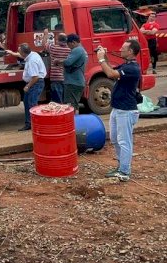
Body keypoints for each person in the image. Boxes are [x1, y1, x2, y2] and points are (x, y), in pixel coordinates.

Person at [97, 40, 142, 182]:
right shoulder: (127, 65)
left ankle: (124, 171)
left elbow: (110, 74)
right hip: (118, 109)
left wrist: (101, 58)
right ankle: (121, 166)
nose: (120, 49)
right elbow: (113, 71)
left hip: (126, 110)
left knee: (124, 141)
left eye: (123, 48)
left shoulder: (132, 68)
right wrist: (106, 58)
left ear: (130, 52)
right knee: (115, 139)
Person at [8, 43, 46, 131]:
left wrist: (28, 86)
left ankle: (36, 125)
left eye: (19, 51)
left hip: (34, 83)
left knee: (32, 105)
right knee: (28, 103)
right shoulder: (33, 54)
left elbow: (35, 77)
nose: (19, 53)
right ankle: (29, 124)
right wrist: (13, 53)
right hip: (35, 83)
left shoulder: (32, 61)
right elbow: (21, 55)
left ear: (23, 53)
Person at [58, 33, 88, 110]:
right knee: (74, 105)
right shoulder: (83, 50)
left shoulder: (77, 50)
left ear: (73, 42)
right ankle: (75, 121)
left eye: (69, 45)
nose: (69, 47)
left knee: (70, 106)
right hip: (77, 82)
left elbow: (68, 62)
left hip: (72, 82)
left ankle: (73, 121)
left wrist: (58, 61)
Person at [43, 29, 70, 103]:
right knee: (65, 100)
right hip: (66, 77)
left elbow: (44, 44)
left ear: (57, 40)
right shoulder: (69, 49)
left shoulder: (53, 48)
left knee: (57, 101)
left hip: (56, 78)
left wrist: (45, 35)